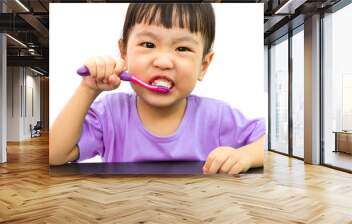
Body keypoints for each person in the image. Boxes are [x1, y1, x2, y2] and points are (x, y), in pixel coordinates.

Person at [49, 3, 266, 175]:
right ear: (124, 52)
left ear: (203, 65)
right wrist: (88, 89)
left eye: (182, 48)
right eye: (149, 45)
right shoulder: (110, 114)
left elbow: (265, 142)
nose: (163, 61)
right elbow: (55, 154)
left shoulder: (217, 116)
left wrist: (245, 156)